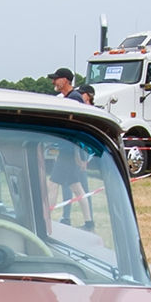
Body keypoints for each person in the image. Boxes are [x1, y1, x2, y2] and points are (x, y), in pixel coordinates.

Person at [48, 67, 88, 223]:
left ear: (65, 80)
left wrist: (79, 156)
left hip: (69, 151)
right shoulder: (71, 98)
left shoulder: (74, 99)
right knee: (77, 187)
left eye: (56, 79)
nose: (53, 82)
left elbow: (77, 129)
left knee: (52, 184)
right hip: (68, 150)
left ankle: (47, 220)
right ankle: (89, 221)